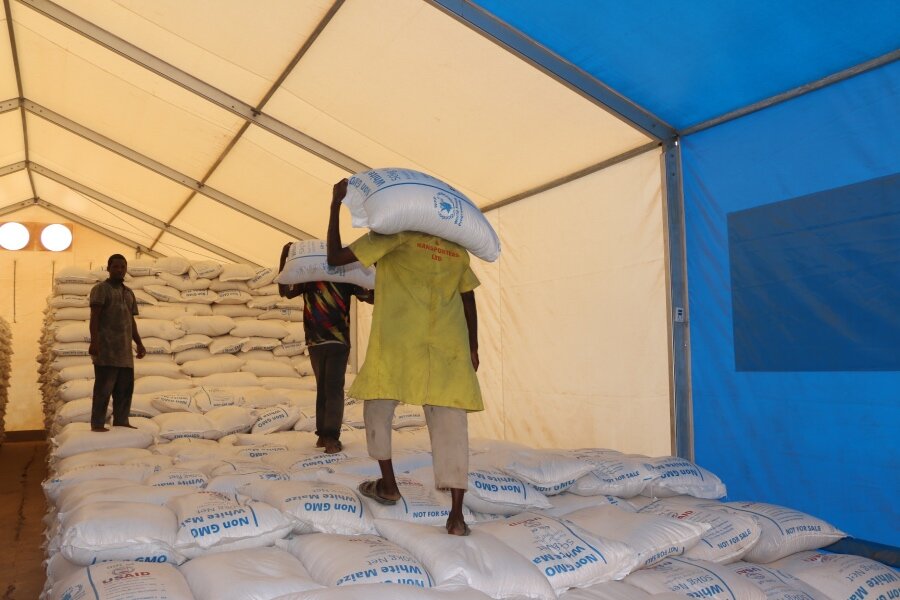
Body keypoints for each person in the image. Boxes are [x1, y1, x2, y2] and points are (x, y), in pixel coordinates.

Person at [326, 178, 482, 536]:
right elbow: (468, 298)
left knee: (377, 408)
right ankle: (456, 516)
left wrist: (335, 204)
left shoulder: (393, 236)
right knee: (451, 427)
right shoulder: (457, 251)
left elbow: (335, 259)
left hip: (396, 344)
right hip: (448, 347)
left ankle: (388, 484)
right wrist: (473, 346)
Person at [278, 243, 373, 454]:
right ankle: (323, 434)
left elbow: (371, 297)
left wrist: (374, 265)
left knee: (333, 387)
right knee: (323, 387)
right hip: (315, 341)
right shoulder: (309, 279)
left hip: (338, 341)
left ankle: (331, 435)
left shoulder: (346, 278)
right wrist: (285, 256)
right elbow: (284, 290)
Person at [88, 254, 145, 432]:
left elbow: (131, 321)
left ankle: (121, 420)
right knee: (104, 389)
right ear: (108, 269)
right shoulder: (101, 289)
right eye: (115, 267)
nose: (119, 270)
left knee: (125, 390)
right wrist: (95, 342)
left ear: (126, 269)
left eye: (122, 267)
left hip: (125, 352)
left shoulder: (128, 293)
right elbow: (94, 317)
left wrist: (139, 343)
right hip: (106, 349)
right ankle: (97, 423)